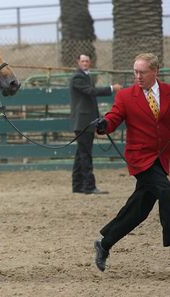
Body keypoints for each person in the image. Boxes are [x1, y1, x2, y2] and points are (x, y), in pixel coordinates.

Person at [93, 53, 170, 272]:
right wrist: (104, 124)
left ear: (154, 71)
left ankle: (104, 243)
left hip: (162, 158)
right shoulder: (126, 96)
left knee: (139, 210)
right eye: (135, 72)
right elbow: (114, 117)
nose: (137, 76)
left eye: (142, 72)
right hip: (141, 159)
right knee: (166, 192)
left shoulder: (168, 92)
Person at [70, 53, 121, 194]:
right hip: (82, 122)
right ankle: (89, 186)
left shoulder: (86, 76)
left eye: (87, 61)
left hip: (85, 122)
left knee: (81, 154)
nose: (85, 63)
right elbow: (90, 91)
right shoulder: (78, 77)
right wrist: (111, 89)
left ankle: (77, 185)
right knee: (85, 154)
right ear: (78, 62)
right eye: (83, 61)